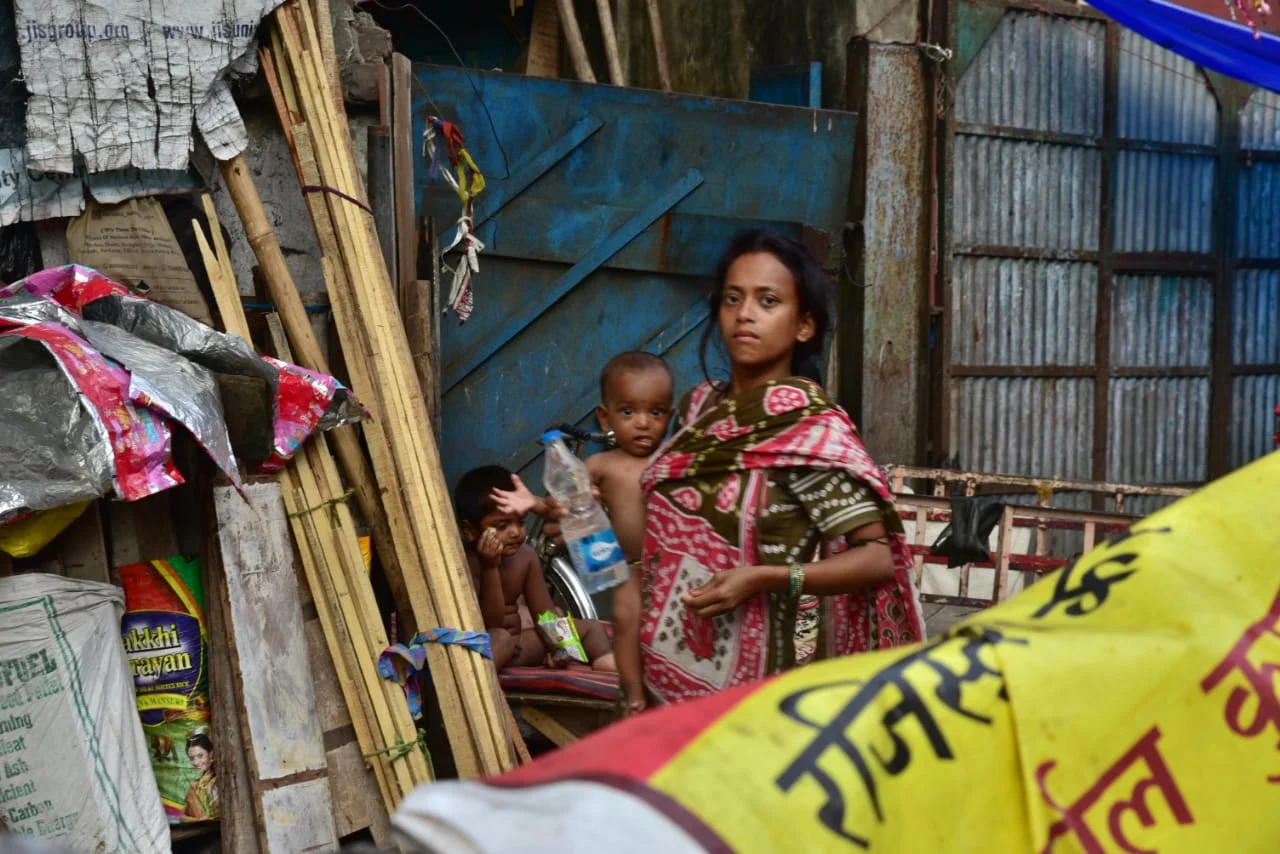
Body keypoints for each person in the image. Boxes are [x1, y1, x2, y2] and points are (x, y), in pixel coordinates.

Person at [613, 229, 925, 713]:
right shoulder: (698, 410)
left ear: (803, 325)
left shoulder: (807, 434)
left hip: (771, 692)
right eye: (733, 298)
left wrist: (765, 578)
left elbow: (880, 557)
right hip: (672, 676)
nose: (745, 314)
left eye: (768, 300)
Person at [454, 465, 617, 672]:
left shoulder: (526, 557)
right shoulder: (464, 562)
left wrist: (564, 652)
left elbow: (544, 616)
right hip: (489, 645)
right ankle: (476, 677)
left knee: (591, 628)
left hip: (520, 646)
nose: (515, 532)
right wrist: (490, 568)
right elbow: (489, 622)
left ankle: (605, 665)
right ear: (469, 530)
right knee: (501, 637)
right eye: (502, 525)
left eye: (520, 522)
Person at [180, 732, 217, 822]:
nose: (196, 762)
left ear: (211, 754)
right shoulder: (195, 786)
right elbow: (182, 817)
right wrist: (199, 820)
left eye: (200, 756)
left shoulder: (218, 781)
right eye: (192, 758)